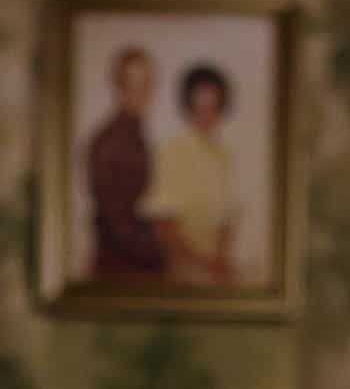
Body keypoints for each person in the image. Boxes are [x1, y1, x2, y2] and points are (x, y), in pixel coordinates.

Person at [148, 58, 243, 285]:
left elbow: (225, 219)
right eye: (200, 107)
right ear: (188, 105)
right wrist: (205, 265)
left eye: (213, 107)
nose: (207, 115)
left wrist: (220, 262)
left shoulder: (224, 155)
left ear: (222, 106)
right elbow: (164, 226)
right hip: (183, 272)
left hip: (216, 274)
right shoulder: (172, 152)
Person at [78, 41, 165, 282]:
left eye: (146, 84)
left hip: (129, 257)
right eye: (132, 85)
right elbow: (117, 224)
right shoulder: (110, 141)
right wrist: (165, 254)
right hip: (118, 265)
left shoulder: (135, 133)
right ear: (118, 87)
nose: (142, 93)